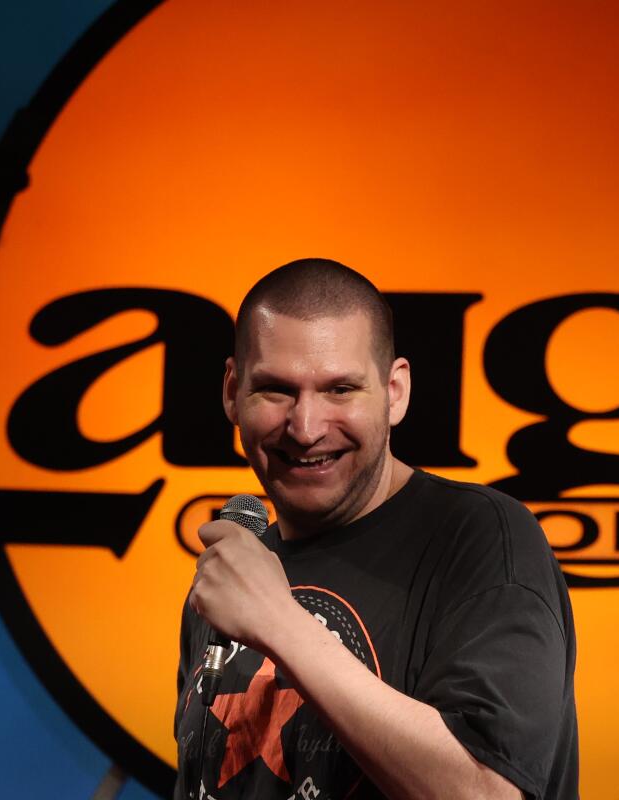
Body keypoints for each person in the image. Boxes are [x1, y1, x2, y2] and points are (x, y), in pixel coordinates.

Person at [174, 258, 579, 799]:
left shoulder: (481, 538)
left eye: (340, 389)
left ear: (395, 392)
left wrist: (279, 623)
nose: (307, 427)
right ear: (232, 392)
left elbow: (488, 792)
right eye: (275, 389)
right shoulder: (236, 575)